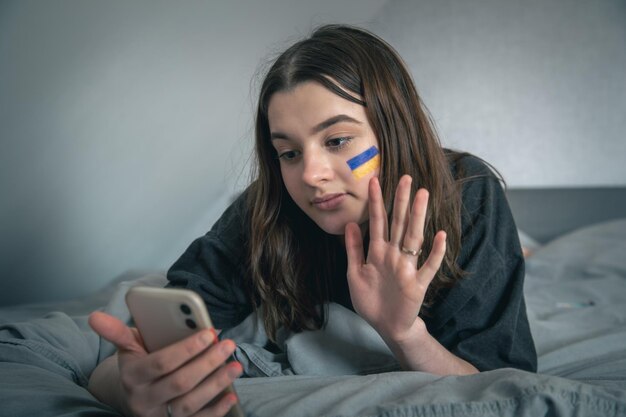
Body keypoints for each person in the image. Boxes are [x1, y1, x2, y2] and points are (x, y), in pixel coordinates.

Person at [88, 24, 537, 417]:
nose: (310, 175)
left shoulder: (467, 193)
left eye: (338, 140)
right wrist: (129, 390)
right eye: (289, 152)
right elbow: (131, 358)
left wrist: (403, 332)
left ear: (394, 129)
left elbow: (501, 388)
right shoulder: (267, 208)